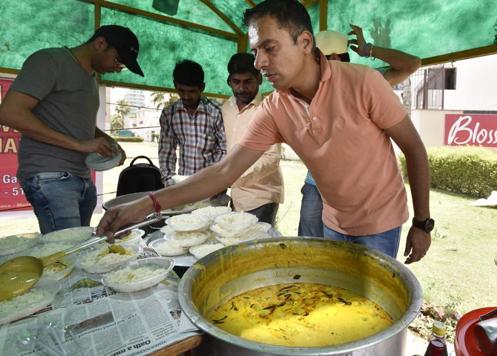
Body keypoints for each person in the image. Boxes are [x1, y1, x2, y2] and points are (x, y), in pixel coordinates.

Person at [98, 0, 432, 264]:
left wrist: (422, 223)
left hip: (381, 222)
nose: (258, 62)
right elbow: (225, 171)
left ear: (304, 42)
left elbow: (415, 151)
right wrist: (145, 204)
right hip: (334, 222)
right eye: (256, 50)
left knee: (372, 316)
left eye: (269, 48)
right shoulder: (276, 107)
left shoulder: (364, 82)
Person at [0, 25, 143, 234]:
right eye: (117, 60)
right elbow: (10, 112)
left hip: (81, 176)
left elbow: (80, 125)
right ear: (100, 44)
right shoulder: (50, 61)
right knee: (68, 253)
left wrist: (110, 143)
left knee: (80, 248)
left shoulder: (91, 78)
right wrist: (80, 144)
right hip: (50, 174)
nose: (118, 68)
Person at [298, 26, 422, 237]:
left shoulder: (365, 82)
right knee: (309, 252)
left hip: (360, 197)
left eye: (316, 59)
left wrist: (369, 50)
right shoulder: (309, 86)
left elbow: (412, 64)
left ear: (335, 57)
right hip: (315, 185)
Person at [222, 53, 283, 225]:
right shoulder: (226, 107)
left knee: (257, 247)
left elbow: (271, 158)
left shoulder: (269, 110)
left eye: (248, 82)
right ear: (229, 81)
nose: (241, 88)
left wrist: (234, 175)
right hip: (234, 194)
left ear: (259, 79)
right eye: (236, 82)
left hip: (261, 196)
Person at [158, 59, 229, 203]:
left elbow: (223, 150)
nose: (186, 96)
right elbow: (166, 151)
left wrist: (217, 183)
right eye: (181, 91)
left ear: (202, 87)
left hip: (213, 186)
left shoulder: (216, 112)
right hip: (183, 184)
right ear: (175, 86)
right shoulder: (169, 114)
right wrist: (169, 183)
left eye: (192, 91)